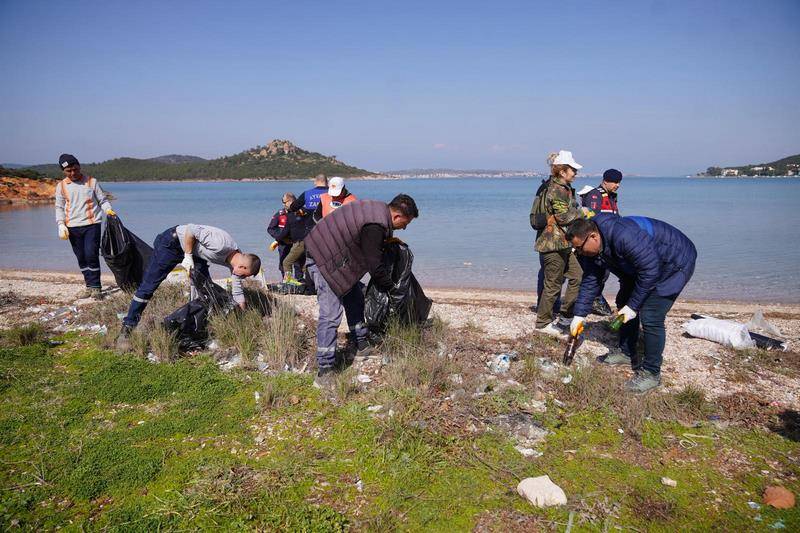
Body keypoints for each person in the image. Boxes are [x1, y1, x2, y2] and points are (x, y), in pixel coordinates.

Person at [566, 215, 697, 393]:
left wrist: (634, 306)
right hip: (639, 266)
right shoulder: (590, 249)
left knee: (651, 315)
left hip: (674, 262)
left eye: (579, 248)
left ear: (593, 237)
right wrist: (579, 315)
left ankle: (652, 373)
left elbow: (651, 270)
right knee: (623, 301)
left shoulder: (623, 235)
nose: (578, 253)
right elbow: (591, 280)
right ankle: (626, 352)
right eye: (575, 250)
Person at [304, 194, 419, 388]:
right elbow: (374, 265)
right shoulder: (375, 225)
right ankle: (324, 370)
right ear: (397, 216)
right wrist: (392, 288)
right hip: (322, 257)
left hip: (335, 255)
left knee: (355, 296)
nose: (404, 228)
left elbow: (367, 246)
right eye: (405, 224)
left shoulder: (378, 211)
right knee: (331, 314)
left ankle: (361, 344)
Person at [116, 224, 261, 348]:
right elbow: (191, 229)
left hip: (195, 254)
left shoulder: (237, 263)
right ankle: (127, 328)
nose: (242, 278)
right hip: (172, 243)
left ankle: (192, 329)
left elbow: (237, 293)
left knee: (206, 293)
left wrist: (242, 317)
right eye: (244, 275)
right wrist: (188, 256)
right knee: (148, 287)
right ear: (242, 266)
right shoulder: (221, 244)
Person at [531, 150, 584, 336]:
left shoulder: (562, 187)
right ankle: (543, 323)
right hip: (552, 244)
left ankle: (566, 315)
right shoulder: (557, 189)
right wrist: (583, 212)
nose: (575, 173)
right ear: (562, 171)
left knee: (577, 275)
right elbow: (562, 217)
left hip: (562, 243)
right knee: (553, 284)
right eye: (573, 170)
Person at [54, 153, 116, 300]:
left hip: (91, 224)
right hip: (72, 227)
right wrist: (61, 224)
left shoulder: (91, 182)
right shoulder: (61, 186)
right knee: (81, 257)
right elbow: (59, 207)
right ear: (64, 171)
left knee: (91, 254)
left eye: (75, 169)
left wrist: (108, 210)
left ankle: (96, 288)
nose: (73, 173)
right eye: (69, 171)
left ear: (79, 166)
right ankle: (89, 286)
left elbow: (102, 200)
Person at [580, 168, 623, 315]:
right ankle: (592, 301)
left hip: (609, 243)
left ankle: (595, 299)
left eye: (619, 182)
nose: (617, 185)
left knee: (605, 273)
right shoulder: (595, 195)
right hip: (597, 243)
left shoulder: (612, 197)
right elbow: (591, 219)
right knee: (595, 274)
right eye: (615, 182)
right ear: (605, 181)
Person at [283, 174, 328, 284]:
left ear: (315, 182)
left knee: (310, 260)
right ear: (327, 182)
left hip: (311, 233)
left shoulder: (308, 194)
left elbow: (293, 207)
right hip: (329, 232)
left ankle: (310, 285)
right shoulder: (333, 193)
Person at [267, 192, 302, 280]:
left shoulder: (301, 212)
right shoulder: (280, 214)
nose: (283, 204)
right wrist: (279, 238)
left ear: (291, 201)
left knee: (298, 264)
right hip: (283, 243)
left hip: (297, 243)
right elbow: (270, 229)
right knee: (283, 263)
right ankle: (287, 281)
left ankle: (299, 281)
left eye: (284, 202)